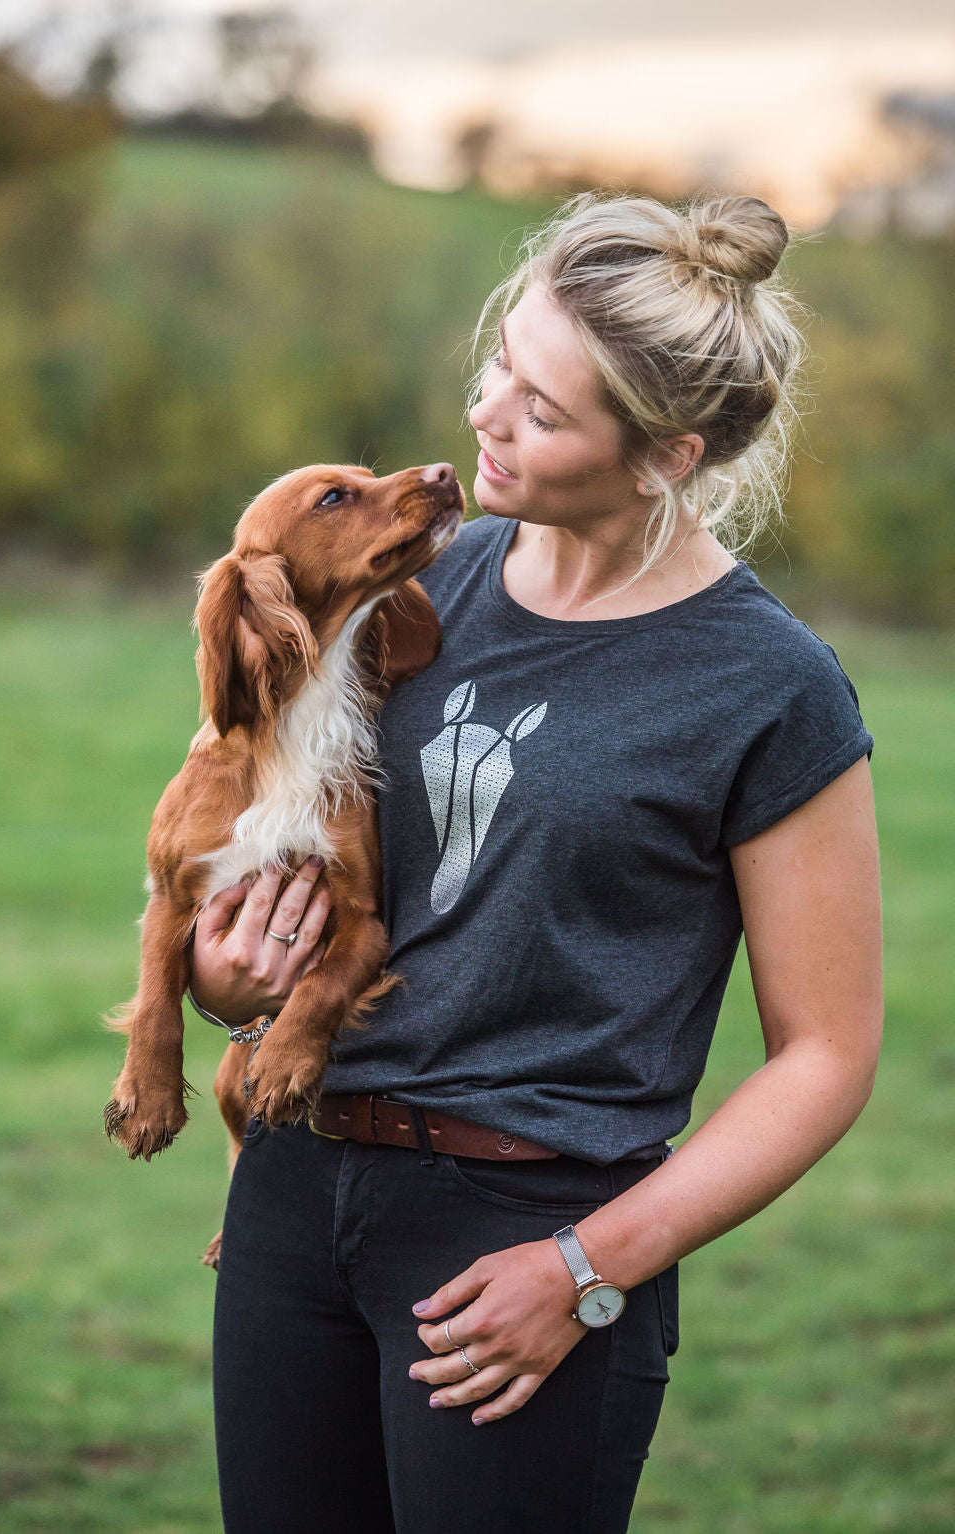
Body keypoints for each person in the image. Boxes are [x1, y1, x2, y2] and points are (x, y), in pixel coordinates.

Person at [190, 192, 882, 1534]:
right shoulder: (408, 587)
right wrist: (230, 977)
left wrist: (584, 1267)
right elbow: (278, 855)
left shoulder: (768, 688)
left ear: (665, 455)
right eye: (504, 359)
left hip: (524, 1238)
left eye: (543, 409)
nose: (487, 411)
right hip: (292, 1194)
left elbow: (826, 1056)